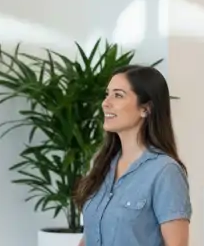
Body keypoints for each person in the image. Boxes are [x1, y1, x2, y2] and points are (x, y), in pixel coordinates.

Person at [76, 65, 191, 246]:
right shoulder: (102, 165)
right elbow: (89, 236)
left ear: (146, 109)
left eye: (118, 95)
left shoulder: (165, 171)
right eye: (107, 94)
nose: (106, 102)